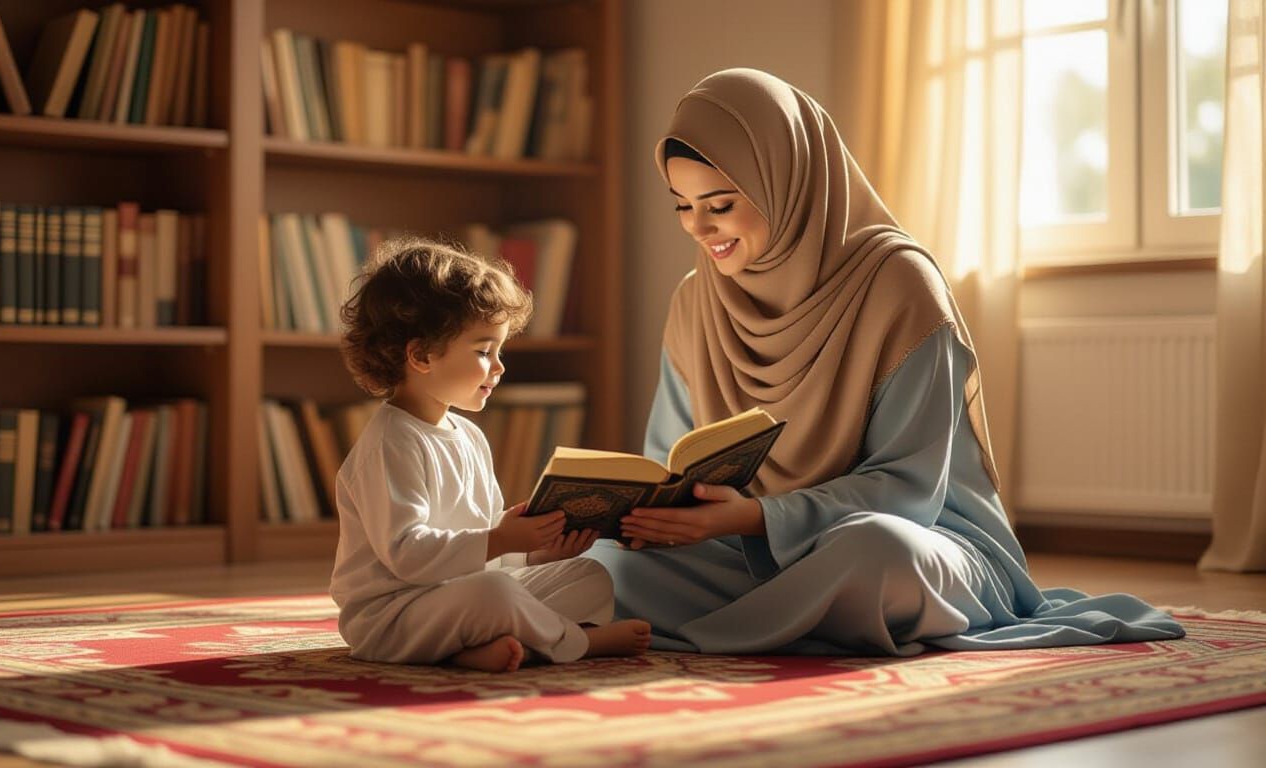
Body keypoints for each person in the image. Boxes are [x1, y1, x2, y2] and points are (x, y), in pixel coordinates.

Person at [584, 68, 1184, 656]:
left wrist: (761, 518)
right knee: (603, 567)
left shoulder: (900, 284)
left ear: (783, 183)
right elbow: (670, 458)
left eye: (719, 203)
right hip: (745, 552)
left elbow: (909, 487)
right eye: (682, 206)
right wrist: (650, 519)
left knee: (876, 557)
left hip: (914, 535)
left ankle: (766, 620)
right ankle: (804, 619)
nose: (699, 227)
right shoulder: (696, 300)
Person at [332, 237, 650, 672]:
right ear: (421, 355)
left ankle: (483, 649)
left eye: (499, 351)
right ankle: (575, 642)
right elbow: (408, 555)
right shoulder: (391, 443)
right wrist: (500, 538)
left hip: (461, 596)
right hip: (393, 617)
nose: (499, 367)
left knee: (589, 575)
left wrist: (536, 552)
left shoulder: (469, 436)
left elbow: (486, 548)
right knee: (495, 595)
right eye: (484, 352)